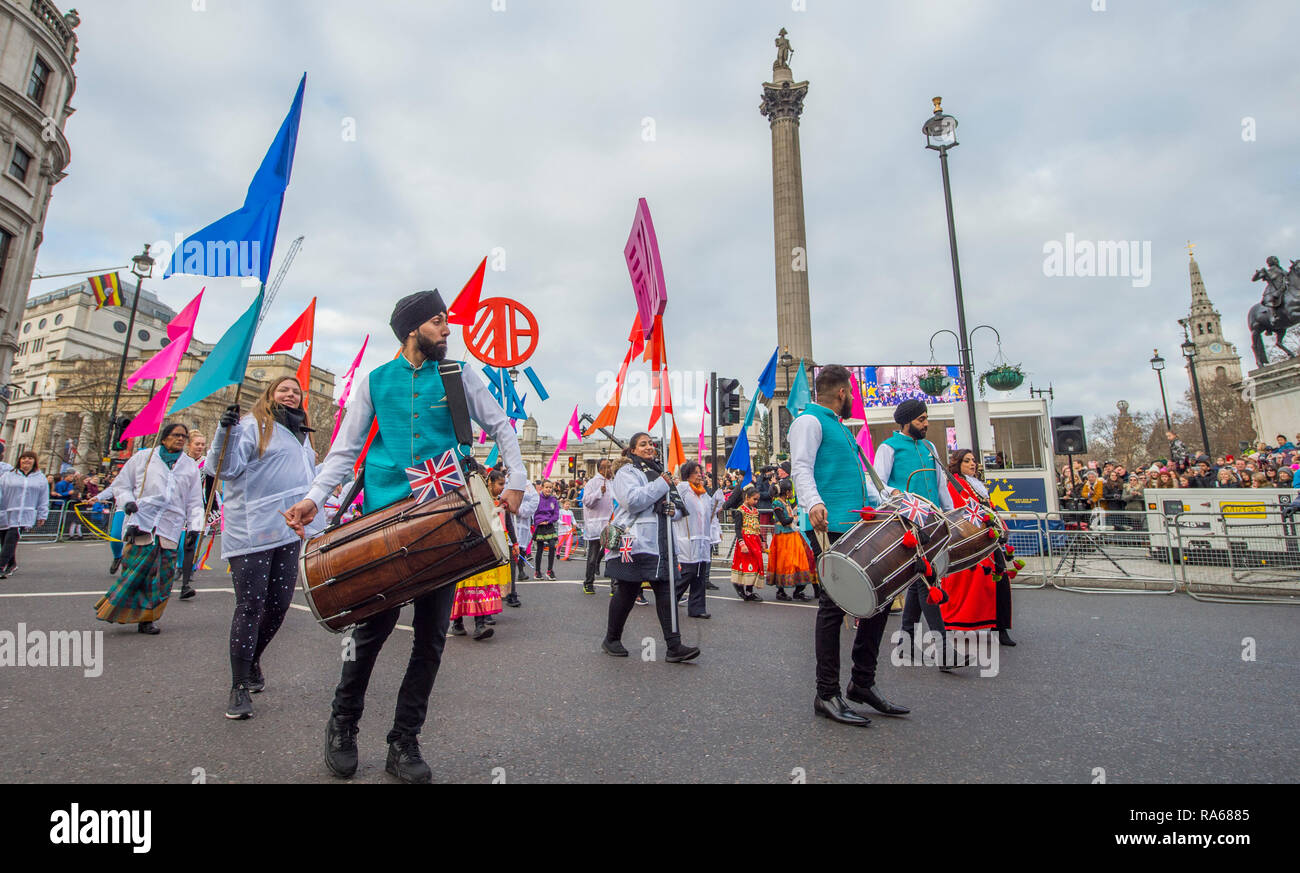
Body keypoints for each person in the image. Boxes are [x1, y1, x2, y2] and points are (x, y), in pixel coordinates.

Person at [284, 288, 525, 784]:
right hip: (385, 519)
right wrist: (313, 496)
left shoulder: (459, 375)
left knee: (431, 638)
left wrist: (518, 479)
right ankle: (343, 725)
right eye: (439, 322)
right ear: (413, 328)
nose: (447, 330)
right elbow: (345, 451)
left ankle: (404, 741)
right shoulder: (375, 381)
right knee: (370, 633)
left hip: (445, 518)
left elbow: (501, 425)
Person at [790, 365, 903, 726]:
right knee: (834, 606)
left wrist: (892, 501)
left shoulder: (841, 428)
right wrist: (812, 502)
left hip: (856, 523)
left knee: (879, 597)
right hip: (829, 523)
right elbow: (801, 468)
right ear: (841, 392)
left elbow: (864, 480)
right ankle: (826, 693)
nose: (852, 398)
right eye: (851, 392)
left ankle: (861, 683)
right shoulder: (809, 422)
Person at [207, 376, 323, 721]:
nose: (291, 394)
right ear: (270, 394)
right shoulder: (250, 425)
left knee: (279, 606)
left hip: (289, 532)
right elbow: (223, 470)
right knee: (250, 606)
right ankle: (239, 686)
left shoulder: (302, 436)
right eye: (283, 389)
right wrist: (221, 434)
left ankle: (253, 657)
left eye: (296, 391)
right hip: (252, 531)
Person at [874, 398, 961, 668]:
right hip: (907, 525)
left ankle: (905, 643)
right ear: (907, 421)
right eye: (921, 420)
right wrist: (894, 494)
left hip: (933, 522)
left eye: (926, 419)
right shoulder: (888, 448)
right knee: (927, 581)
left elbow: (941, 485)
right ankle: (945, 650)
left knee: (917, 582)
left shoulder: (930, 446)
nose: (926, 424)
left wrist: (951, 516)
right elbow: (878, 484)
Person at [600, 432, 701, 663]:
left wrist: (671, 511)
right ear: (633, 450)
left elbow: (676, 510)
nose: (649, 447)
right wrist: (661, 483)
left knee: (666, 591)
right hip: (636, 541)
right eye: (643, 444)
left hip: (661, 542)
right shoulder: (628, 472)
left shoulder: (659, 473)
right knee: (626, 591)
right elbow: (632, 501)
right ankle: (611, 638)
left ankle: (674, 646)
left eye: (651, 444)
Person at [94, 423, 204, 635]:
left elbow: (194, 501)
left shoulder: (189, 466)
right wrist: (127, 502)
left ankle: (149, 618)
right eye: (175, 435)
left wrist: (194, 527)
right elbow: (121, 485)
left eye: (183, 436)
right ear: (164, 438)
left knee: (163, 577)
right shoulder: (143, 458)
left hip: (170, 527)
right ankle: (120, 610)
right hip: (142, 522)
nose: (180, 439)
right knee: (138, 573)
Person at [449, 468, 510, 640]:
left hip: (484, 547)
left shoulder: (490, 501)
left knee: (482, 588)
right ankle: (458, 623)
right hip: (468, 548)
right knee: (465, 587)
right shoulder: (465, 498)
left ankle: (479, 625)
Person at [673, 460, 726, 619]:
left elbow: (709, 513)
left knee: (700, 576)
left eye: (700, 472)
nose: (699, 475)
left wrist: (717, 501)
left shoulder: (703, 493)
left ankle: (697, 608)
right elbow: (676, 512)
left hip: (702, 539)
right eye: (696, 472)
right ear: (687, 475)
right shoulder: (681, 490)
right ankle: (669, 600)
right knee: (688, 573)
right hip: (687, 539)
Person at [0, 450, 49, 579]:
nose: (26, 461)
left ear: (34, 461)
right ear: (19, 460)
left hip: (25, 514)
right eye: (24, 458)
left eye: (30, 458)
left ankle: (1, 566)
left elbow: (43, 498)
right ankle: (12, 564)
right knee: (5, 540)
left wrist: (42, 515)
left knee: (11, 538)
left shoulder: (40, 478)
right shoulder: (8, 475)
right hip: (7, 511)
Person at [175, 430, 209, 601]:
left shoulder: (207, 463)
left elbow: (210, 485)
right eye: (197, 444)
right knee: (178, 543)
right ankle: (179, 567)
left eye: (203, 444)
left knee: (190, 543)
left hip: (196, 507)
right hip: (178, 506)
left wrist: (213, 507)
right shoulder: (180, 461)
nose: (200, 447)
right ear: (189, 445)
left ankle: (185, 584)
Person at [768, 478, 815, 600]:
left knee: (801, 562)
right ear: (787, 492)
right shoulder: (777, 503)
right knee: (784, 563)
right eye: (791, 491)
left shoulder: (786, 503)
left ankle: (798, 590)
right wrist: (795, 517)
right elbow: (783, 521)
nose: (792, 493)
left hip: (793, 536)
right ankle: (780, 591)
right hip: (783, 537)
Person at [580, 458, 614, 595]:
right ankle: (588, 583)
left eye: (611, 466)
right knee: (593, 556)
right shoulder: (592, 483)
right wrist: (599, 492)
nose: (611, 469)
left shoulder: (612, 482)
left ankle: (614, 585)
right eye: (608, 467)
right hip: (595, 524)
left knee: (612, 555)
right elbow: (587, 501)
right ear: (601, 469)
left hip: (609, 524)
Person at [726, 483, 764, 601]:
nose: (756, 502)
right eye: (754, 499)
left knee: (756, 565)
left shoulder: (755, 511)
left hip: (755, 541)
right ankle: (742, 588)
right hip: (746, 542)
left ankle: (749, 590)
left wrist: (762, 540)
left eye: (757, 499)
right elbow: (737, 529)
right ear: (747, 498)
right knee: (747, 566)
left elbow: (757, 526)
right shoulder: (740, 511)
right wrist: (742, 543)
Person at [532, 480, 560, 580]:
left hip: (549, 525)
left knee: (552, 546)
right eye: (546, 487)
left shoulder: (554, 500)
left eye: (550, 487)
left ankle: (549, 570)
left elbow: (556, 514)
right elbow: (534, 512)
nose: (548, 489)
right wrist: (539, 521)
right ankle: (537, 571)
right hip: (540, 526)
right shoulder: (537, 498)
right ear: (542, 488)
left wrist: (548, 521)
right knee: (540, 549)